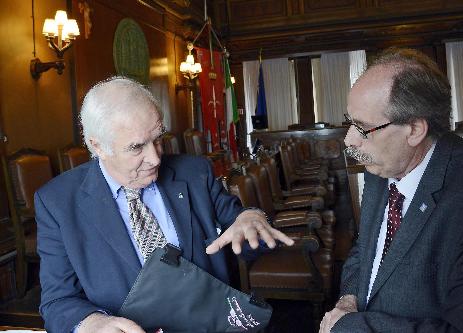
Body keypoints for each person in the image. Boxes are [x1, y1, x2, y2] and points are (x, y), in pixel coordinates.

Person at [35, 77, 293, 333]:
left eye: (158, 139)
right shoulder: (57, 202)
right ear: (97, 146)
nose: (155, 157)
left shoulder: (195, 173)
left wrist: (253, 217)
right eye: (137, 147)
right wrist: (91, 323)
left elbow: (242, 231)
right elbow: (57, 301)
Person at [320, 48, 463, 332]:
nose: (349, 140)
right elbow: (365, 247)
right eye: (349, 122)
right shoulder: (383, 164)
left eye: (363, 128)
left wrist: (353, 328)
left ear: (415, 129)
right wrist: (348, 298)